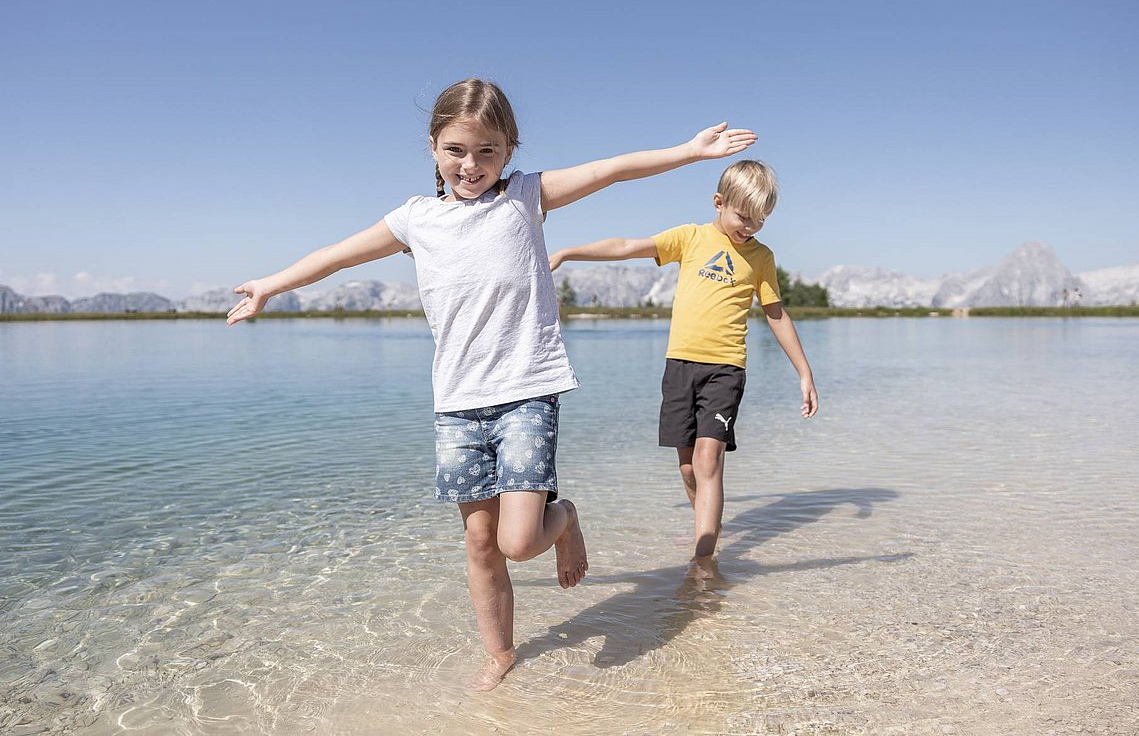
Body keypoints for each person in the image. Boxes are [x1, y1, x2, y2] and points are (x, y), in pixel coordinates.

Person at [226, 78, 758, 691]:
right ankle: (500, 653)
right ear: (432, 148)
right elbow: (338, 255)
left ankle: (565, 518)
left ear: (508, 151)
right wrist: (271, 284)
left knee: (520, 540)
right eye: (456, 150)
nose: (470, 165)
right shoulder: (415, 219)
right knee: (481, 541)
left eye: (487, 152)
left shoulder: (526, 197)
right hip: (456, 405)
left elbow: (610, 169)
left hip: (527, 391)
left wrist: (689, 152)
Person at [549, 160, 818, 558]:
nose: (750, 227)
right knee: (689, 467)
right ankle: (706, 530)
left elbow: (775, 313)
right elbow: (627, 246)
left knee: (709, 458)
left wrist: (804, 372)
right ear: (718, 202)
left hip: (726, 369)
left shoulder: (761, 257)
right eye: (744, 217)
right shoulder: (689, 238)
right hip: (679, 367)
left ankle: (704, 559)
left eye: (760, 220)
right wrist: (570, 252)